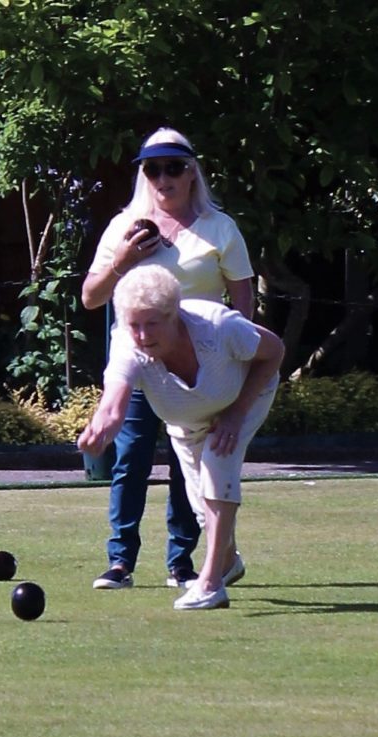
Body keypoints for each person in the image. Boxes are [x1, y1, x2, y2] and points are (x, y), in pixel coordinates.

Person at [82, 127, 255, 590]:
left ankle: (182, 562)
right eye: (153, 168)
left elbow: (245, 302)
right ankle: (120, 561)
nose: (164, 177)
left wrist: (237, 364)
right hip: (139, 361)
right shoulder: (125, 226)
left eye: (174, 166)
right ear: (144, 175)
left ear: (192, 172)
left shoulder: (220, 228)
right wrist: (121, 260)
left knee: (190, 465)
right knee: (130, 456)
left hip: (202, 363)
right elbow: (90, 298)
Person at [78, 264, 284, 609]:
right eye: (134, 324)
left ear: (174, 315)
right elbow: (113, 405)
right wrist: (101, 428)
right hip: (186, 422)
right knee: (205, 510)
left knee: (219, 464)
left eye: (152, 323)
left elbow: (274, 351)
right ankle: (228, 561)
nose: (142, 335)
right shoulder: (127, 345)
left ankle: (211, 584)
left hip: (241, 400)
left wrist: (235, 415)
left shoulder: (219, 326)